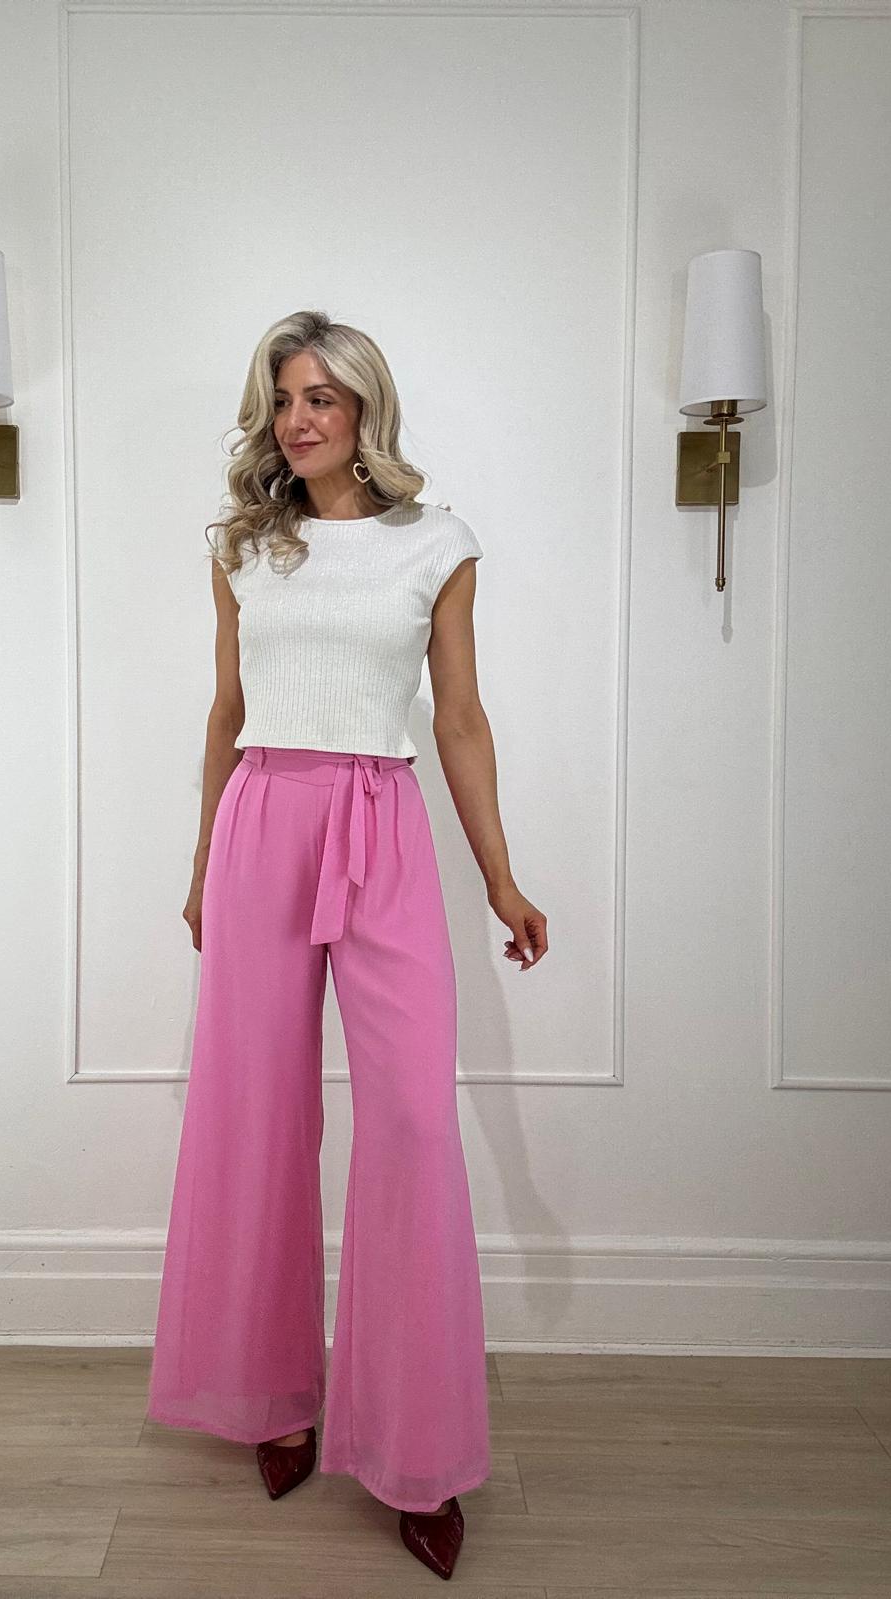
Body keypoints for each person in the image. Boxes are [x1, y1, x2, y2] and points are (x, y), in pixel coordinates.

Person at [147, 310, 546, 1581]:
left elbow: (461, 718)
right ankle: (273, 1397)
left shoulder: (439, 544)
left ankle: (418, 1451)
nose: (299, 419)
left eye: (322, 396)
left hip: (381, 822)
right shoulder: (243, 548)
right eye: (282, 399)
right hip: (264, 819)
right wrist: (204, 862)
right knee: (256, 1116)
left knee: (414, 1125)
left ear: (367, 408)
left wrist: (501, 876)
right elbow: (227, 710)